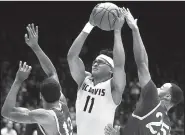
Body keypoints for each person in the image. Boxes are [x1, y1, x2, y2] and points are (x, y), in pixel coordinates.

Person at [104, 8, 184, 135]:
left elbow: (142, 64)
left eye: (162, 87)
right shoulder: (167, 127)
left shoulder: (153, 99)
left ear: (167, 97)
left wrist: (135, 30)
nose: (158, 87)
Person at [1, 24, 73, 135]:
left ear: (40, 96)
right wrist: (35, 46)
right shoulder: (62, 102)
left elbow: (6, 112)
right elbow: (52, 72)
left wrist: (18, 81)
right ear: (59, 93)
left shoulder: (45, 116)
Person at [67, 6, 126, 135]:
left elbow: (120, 65)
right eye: (95, 61)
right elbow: (72, 57)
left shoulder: (114, 87)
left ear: (111, 70)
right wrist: (89, 25)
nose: (95, 63)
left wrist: (117, 31)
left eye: (101, 62)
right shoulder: (84, 79)